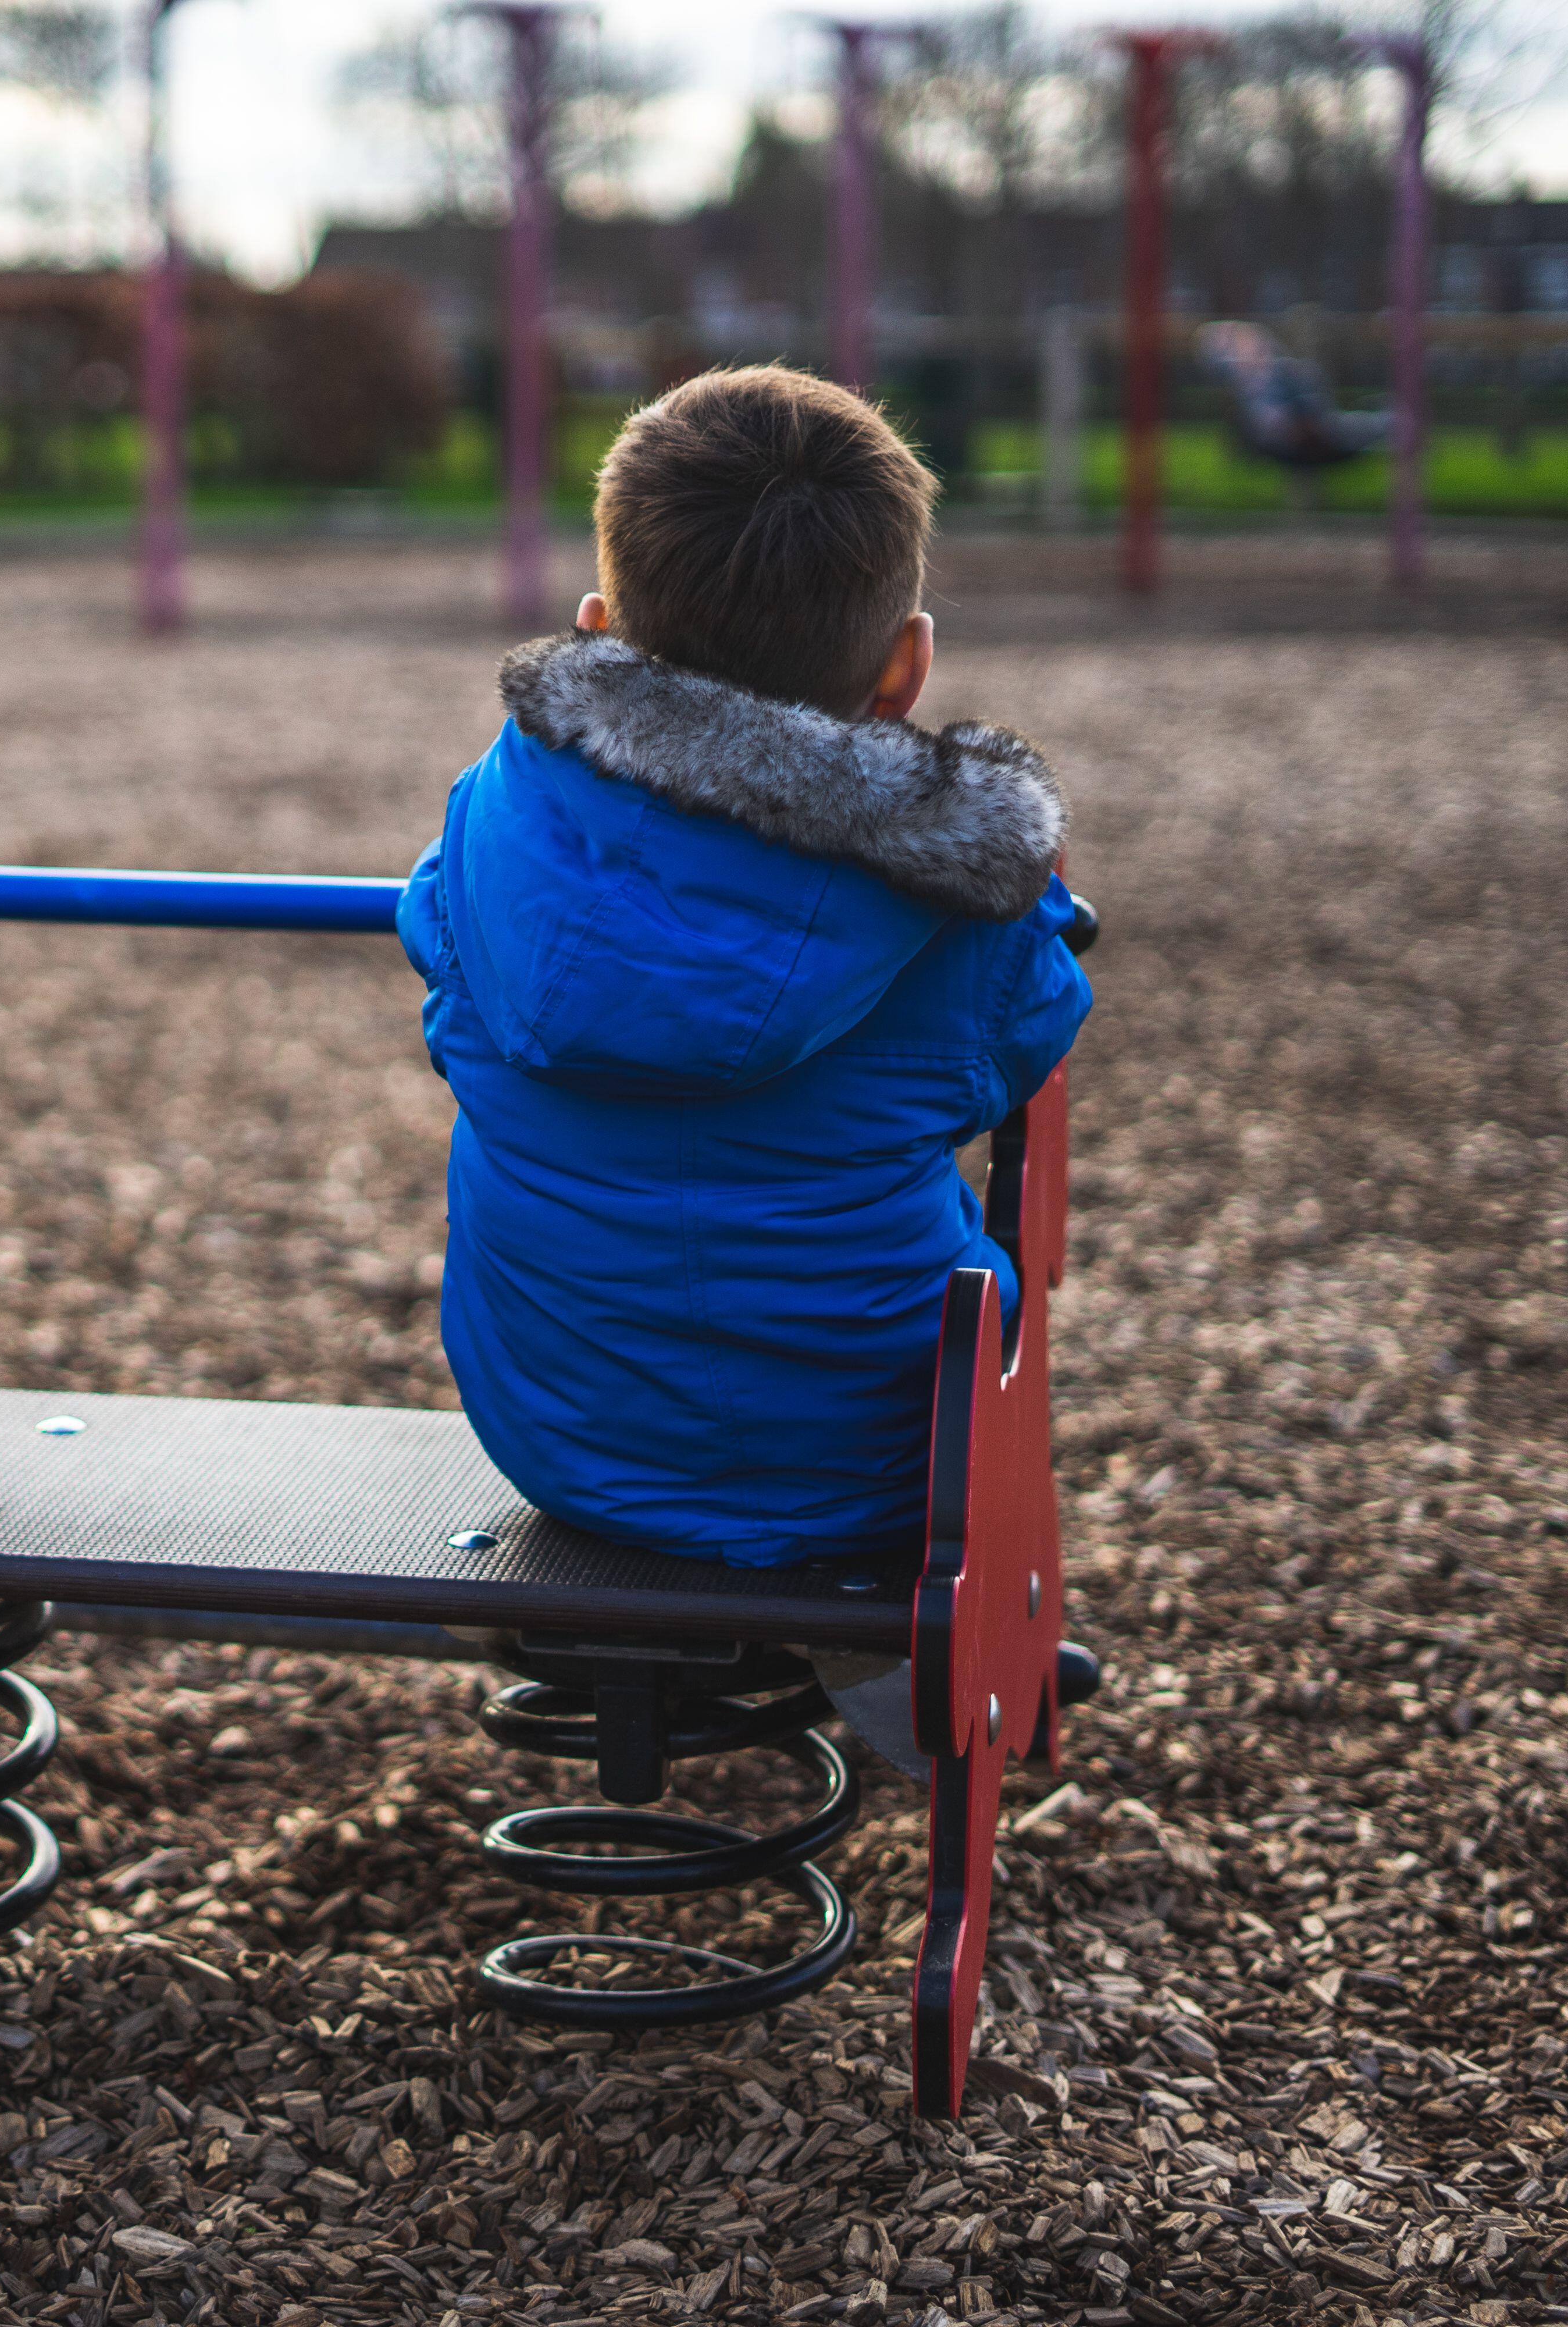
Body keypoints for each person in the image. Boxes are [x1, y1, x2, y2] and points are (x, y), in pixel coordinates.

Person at [397, 365, 1091, 1776]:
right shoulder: (955, 909)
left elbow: (435, 960)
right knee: (954, 1298)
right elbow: (1027, 1037)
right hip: (874, 1469)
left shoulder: (492, 819)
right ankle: (906, 1676)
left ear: (601, 632)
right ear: (906, 666)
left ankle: (783, 1644)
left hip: (559, 1428)